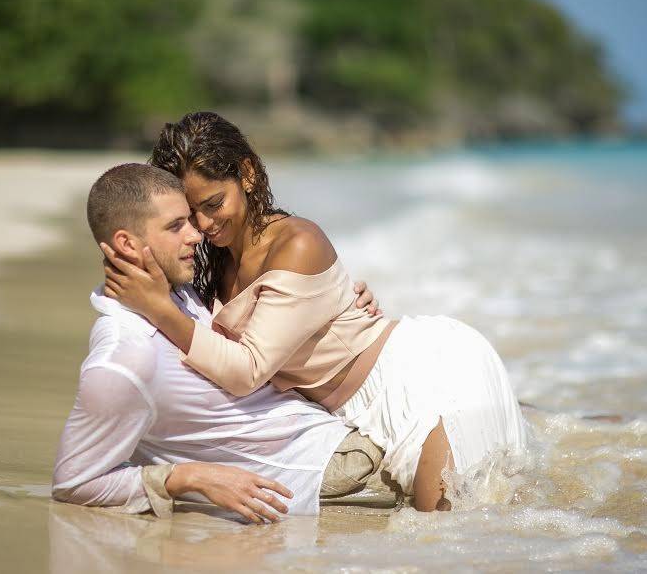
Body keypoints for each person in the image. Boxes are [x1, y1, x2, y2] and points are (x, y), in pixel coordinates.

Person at [101, 111, 529, 512]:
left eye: (214, 204)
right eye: (190, 214)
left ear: (246, 175)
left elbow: (247, 369)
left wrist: (157, 309)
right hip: (351, 411)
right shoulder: (217, 263)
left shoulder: (296, 244)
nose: (205, 225)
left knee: (448, 530)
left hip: (428, 379)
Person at [52, 163, 389, 524]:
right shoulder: (125, 358)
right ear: (126, 244)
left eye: (191, 220)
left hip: (348, 434)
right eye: (175, 226)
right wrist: (190, 477)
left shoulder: (181, 294)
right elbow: (74, 483)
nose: (196, 236)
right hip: (329, 477)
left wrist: (339, 305)